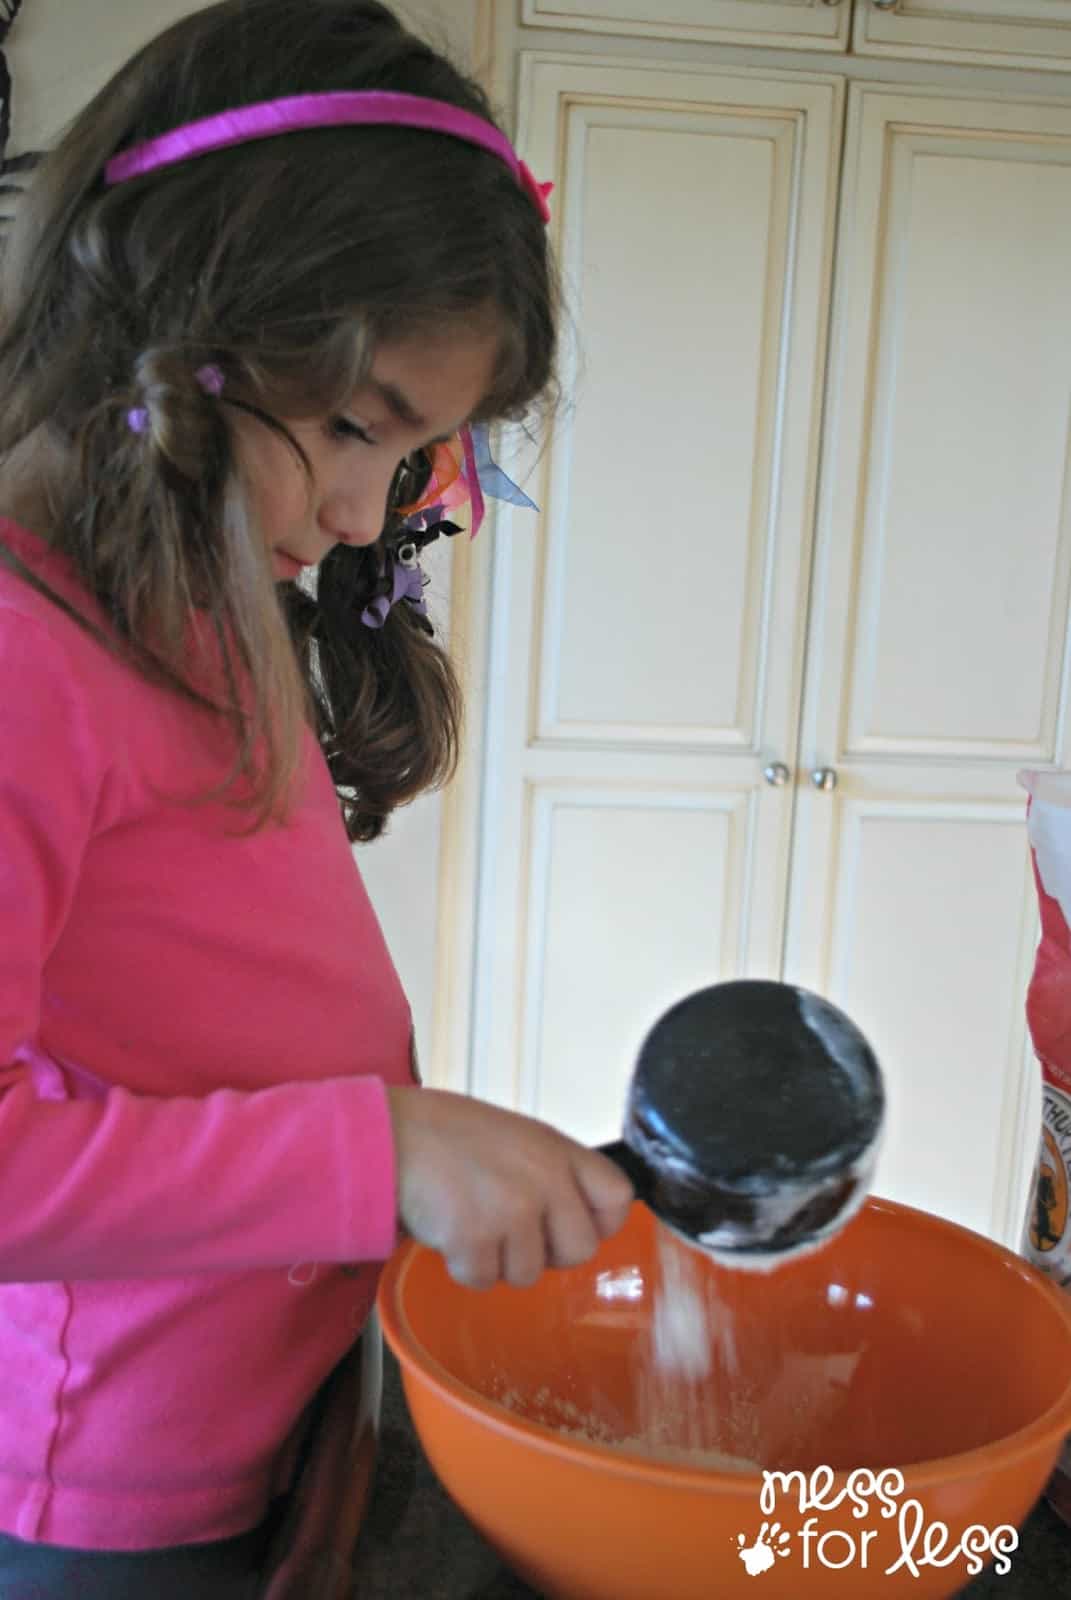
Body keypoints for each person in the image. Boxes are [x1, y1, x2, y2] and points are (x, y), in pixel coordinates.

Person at [0, 1, 634, 1593]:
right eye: (354, 428)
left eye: (412, 455)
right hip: (109, 1483)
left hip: (268, 1402)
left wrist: (402, 1160)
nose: (364, 511)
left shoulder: (198, 600)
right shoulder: (23, 657)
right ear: (178, 315)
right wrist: (383, 1151)